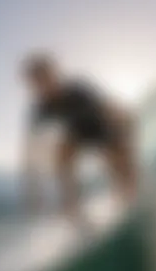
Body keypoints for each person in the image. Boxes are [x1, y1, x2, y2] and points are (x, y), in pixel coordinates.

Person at [21, 52, 137, 222]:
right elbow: (33, 149)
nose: (42, 85)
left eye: (45, 77)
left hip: (101, 126)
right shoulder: (41, 109)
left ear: (53, 73)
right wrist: (34, 191)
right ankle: (74, 212)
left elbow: (107, 107)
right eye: (37, 82)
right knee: (60, 157)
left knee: (117, 158)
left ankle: (128, 192)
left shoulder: (76, 90)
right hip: (78, 135)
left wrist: (122, 126)